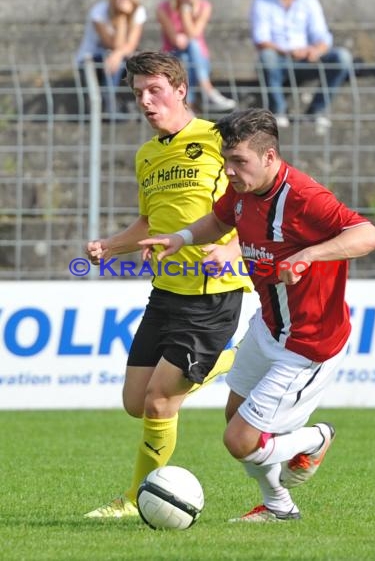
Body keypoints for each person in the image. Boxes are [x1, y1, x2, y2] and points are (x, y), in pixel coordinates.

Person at [139, 107, 375, 522]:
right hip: (269, 327)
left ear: (269, 157)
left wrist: (309, 254)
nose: (229, 171)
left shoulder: (305, 197)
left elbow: (369, 235)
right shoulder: (244, 190)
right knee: (236, 417)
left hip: (308, 343)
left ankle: (314, 439)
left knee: (240, 440)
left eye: (239, 161)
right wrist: (180, 237)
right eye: (226, 160)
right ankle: (279, 507)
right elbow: (218, 220)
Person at [84, 52, 252, 518]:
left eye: (154, 89)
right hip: (165, 292)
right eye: (138, 92)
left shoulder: (220, 140)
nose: (145, 101)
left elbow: (259, 203)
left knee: (161, 403)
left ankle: (134, 501)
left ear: (180, 89)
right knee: (135, 403)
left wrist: (235, 252)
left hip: (212, 293)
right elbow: (148, 221)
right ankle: (228, 361)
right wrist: (111, 246)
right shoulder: (147, 154)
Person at [251, 0, 353, 129]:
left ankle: (316, 111)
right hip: (279, 59)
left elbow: (323, 36)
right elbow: (261, 39)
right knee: (267, 57)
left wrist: (315, 51)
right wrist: (287, 51)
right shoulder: (262, 2)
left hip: (307, 59)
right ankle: (278, 111)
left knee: (342, 57)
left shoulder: (308, 0)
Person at [156, 0, 236, 112]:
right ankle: (208, 90)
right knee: (186, 56)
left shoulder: (205, 6)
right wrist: (184, 10)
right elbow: (175, 40)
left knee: (190, 51)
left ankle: (188, 105)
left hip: (199, 59)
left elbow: (194, 33)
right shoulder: (163, 8)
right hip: (173, 55)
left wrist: (185, 12)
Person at [76, 0, 147, 116]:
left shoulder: (139, 12)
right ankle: (108, 99)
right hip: (92, 57)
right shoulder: (99, 12)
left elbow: (131, 44)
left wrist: (118, 54)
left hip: (118, 57)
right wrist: (121, 18)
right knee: (115, 59)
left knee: (121, 60)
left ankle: (110, 99)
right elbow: (111, 44)